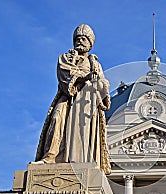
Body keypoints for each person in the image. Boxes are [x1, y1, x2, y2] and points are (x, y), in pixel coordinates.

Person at [34, 24, 111, 175]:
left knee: (82, 130)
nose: (80, 41)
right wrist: (85, 76)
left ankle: (80, 160)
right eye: (78, 38)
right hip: (67, 97)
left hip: (86, 102)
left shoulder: (95, 63)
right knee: (56, 120)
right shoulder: (66, 58)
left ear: (90, 43)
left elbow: (103, 83)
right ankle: (50, 157)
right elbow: (65, 74)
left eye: (84, 39)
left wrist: (100, 84)